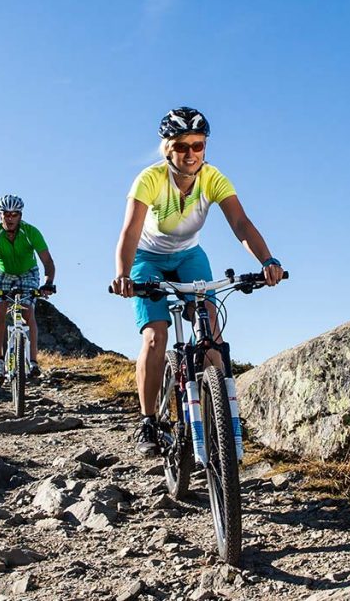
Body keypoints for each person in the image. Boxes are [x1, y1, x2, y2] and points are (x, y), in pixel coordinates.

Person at [110, 107, 284, 456]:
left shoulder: (213, 178)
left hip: (190, 256)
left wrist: (268, 260)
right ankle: (148, 422)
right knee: (156, 337)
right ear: (167, 149)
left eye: (198, 145)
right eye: (182, 146)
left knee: (211, 331)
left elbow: (241, 224)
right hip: (147, 259)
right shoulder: (150, 179)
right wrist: (124, 274)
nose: (191, 154)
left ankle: (220, 417)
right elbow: (130, 231)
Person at [0, 195, 56, 385]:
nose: (10, 218)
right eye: (6, 214)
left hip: (27, 273)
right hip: (1, 272)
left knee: (28, 311)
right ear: (0, 215)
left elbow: (48, 261)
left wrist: (48, 282)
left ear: (20, 215)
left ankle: (33, 361)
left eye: (15, 214)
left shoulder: (31, 232)